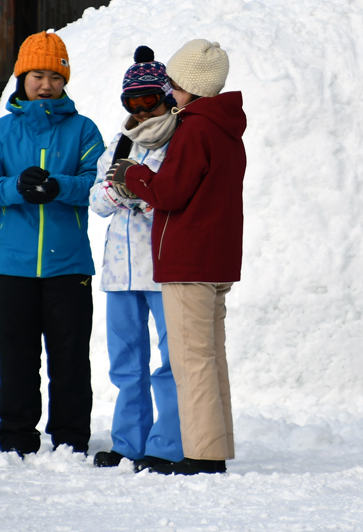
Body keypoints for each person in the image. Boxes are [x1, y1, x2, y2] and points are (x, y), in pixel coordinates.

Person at [0, 31, 105, 457]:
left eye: (53, 76)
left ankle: (70, 438)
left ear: (64, 80)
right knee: (17, 359)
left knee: (70, 360)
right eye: (36, 75)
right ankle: (16, 437)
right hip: (13, 266)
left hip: (69, 267)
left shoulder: (84, 131)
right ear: (21, 78)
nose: (45, 84)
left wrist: (58, 186)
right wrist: (16, 187)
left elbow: (97, 185)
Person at [119, 39, 246, 476]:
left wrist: (132, 174)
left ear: (191, 86)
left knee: (191, 362)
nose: (168, 91)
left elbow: (169, 193)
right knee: (211, 358)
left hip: (188, 260)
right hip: (217, 259)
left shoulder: (194, 129)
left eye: (172, 84)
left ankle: (202, 456)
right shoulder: (227, 129)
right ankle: (214, 447)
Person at [89, 46, 184, 470]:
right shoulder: (120, 142)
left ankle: (166, 444)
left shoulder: (180, 137)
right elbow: (97, 198)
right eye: (133, 103)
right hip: (119, 271)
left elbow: (175, 194)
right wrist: (115, 193)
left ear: (166, 98)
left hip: (162, 268)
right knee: (127, 363)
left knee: (171, 363)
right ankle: (128, 442)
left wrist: (143, 195)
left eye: (150, 101)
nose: (142, 111)